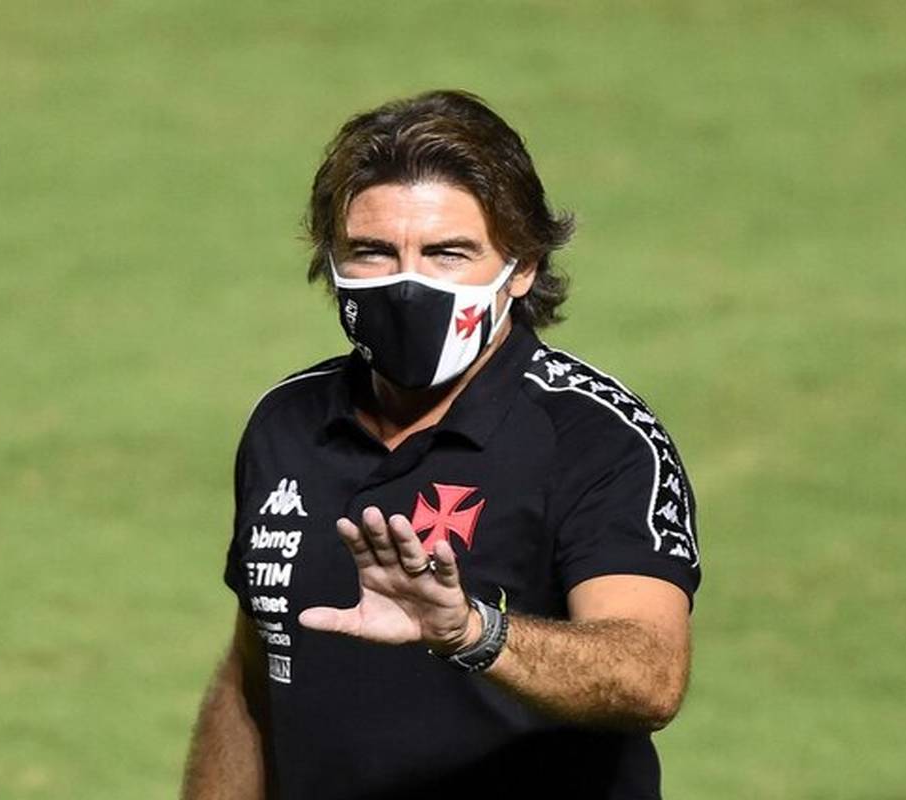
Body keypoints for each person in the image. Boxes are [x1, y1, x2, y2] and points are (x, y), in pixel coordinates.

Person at [182, 90, 701, 800]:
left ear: (522, 266)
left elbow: (650, 676)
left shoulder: (597, 438)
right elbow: (254, 676)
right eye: (373, 253)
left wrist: (473, 633)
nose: (408, 286)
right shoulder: (286, 422)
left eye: (447, 253)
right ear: (332, 262)